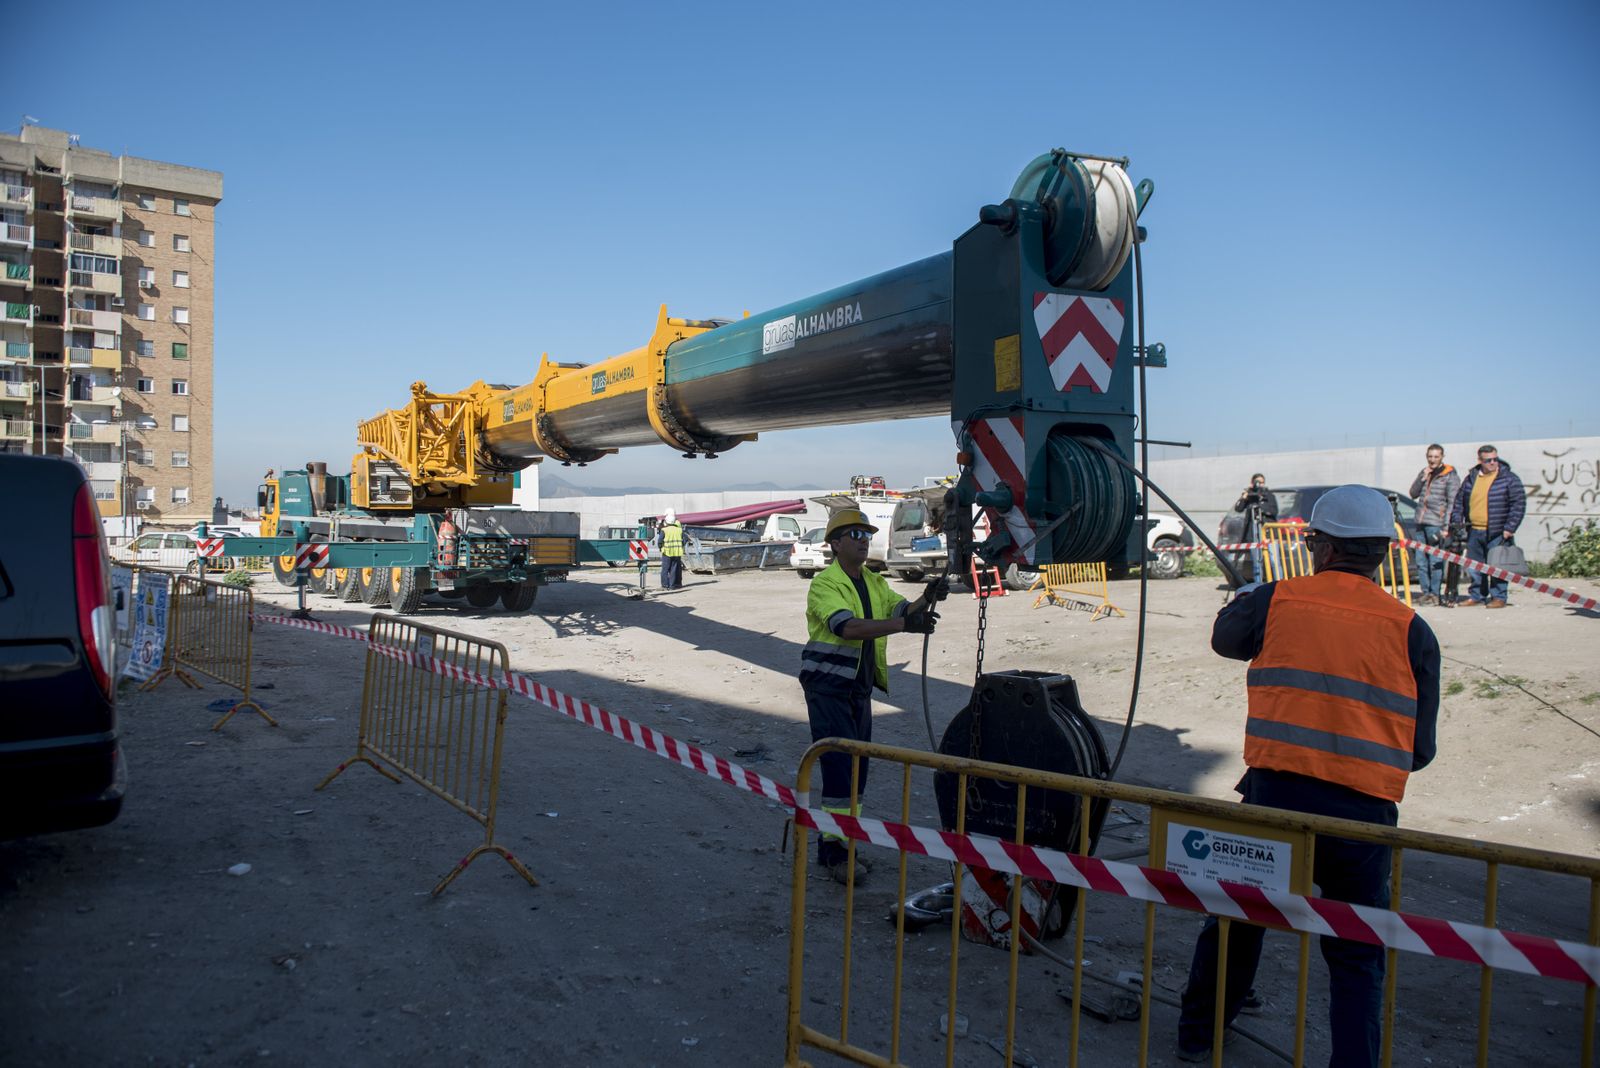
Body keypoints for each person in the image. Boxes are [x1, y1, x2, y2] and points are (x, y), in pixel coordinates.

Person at [1176, 485, 1440, 1066]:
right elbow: (1419, 752)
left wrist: (1247, 596)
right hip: (1364, 816)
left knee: (1239, 920)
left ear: (1319, 544)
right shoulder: (1412, 629)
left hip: (1274, 800)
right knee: (1355, 954)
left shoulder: (1276, 600)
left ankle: (1197, 1036)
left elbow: (1225, 640)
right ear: (1382, 551)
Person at [799, 507, 944, 884]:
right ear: (835, 543)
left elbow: (901, 609)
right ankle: (833, 852)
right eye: (855, 535)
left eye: (866, 535)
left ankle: (845, 842)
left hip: (857, 690)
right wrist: (903, 624)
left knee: (858, 771)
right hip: (828, 688)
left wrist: (926, 597)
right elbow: (847, 628)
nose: (864, 541)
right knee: (839, 770)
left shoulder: (872, 582)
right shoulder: (825, 584)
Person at [1447, 445, 1526, 608]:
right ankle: (1477, 595)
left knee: (1497, 566)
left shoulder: (1509, 478)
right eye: (1488, 460)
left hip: (1498, 531)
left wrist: (1510, 528)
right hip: (1474, 530)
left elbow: (1518, 504)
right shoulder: (1471, 479)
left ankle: (1498, 597)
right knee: (1475, 566)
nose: (1492, 463)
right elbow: (1459, 503)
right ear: (1480, 460)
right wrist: (1457, 523)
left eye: (1495, 459)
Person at [1408, 444, 1461, 606]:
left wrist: (1446, 526)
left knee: (1435, 561)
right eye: (1430, 456)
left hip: (1436, 523)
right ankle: (1425, 592)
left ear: (1442, 457)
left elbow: (1453, 502)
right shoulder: (1425, 473)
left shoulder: (1449, 476)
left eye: (1436, 456)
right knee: (1421, 561)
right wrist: (1422, 477)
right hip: (1420, 523)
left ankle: (1435, 593)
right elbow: (1413, 493)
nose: (1432, 460)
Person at [1233, 473, 1279, 582]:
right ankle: (1258, 584)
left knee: (1274, 561)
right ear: (1252, 483)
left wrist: (1261, 503)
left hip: (1268, 533)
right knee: (1257, 563)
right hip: (1253, 534)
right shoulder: (1249, 496)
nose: (1260, 485)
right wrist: (1244, 497)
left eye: (1262, 482)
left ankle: (1278, 582)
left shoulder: (1269, 495)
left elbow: (1274, 511)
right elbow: (1238, 508)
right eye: (1257, 482)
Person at [657, 509, 685, 590]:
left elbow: (659, 541)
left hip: (667, 552)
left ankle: (665, 585)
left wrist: (660, 548)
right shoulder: (679, 529)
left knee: (665, 569)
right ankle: (672, 585)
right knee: (673, 570)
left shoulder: (664, 530)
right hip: (677, 552)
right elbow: (684, 540)